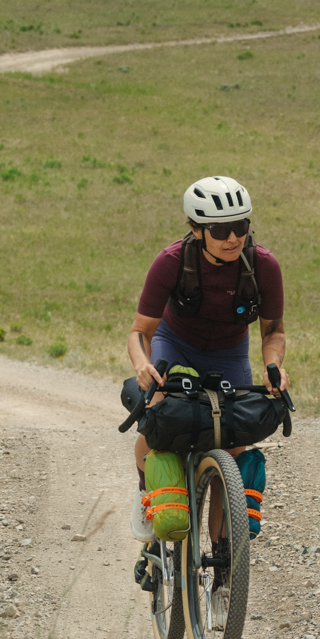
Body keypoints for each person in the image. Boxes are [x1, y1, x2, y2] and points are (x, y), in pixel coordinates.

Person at [126, 175, 288, 541]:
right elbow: (140, 331)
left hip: (229, 352)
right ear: (198, 230)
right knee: (157, 421)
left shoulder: (263, 266)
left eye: (240, 226)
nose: (232, 237)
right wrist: (142, 364)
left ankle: (224, 558)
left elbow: (273, 331)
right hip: (174, 344)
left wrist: (274, 366)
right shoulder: (171, 261)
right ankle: (146, 491)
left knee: (231, 444)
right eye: (220, 229)